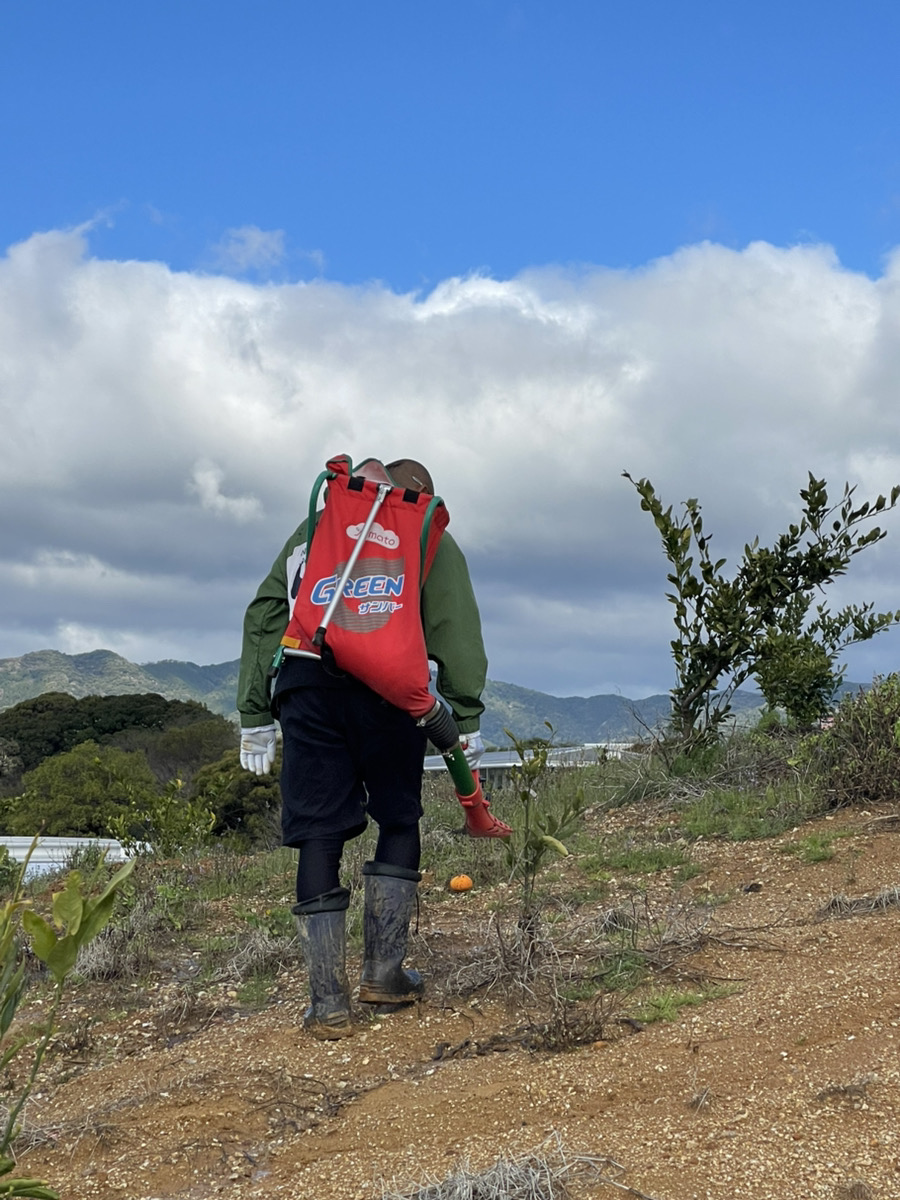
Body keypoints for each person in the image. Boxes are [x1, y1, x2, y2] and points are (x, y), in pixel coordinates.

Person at [237, 457, 487, 1039]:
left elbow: (266, 614)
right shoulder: (424, 529)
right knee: (398, 814)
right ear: (419, 493)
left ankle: (327, 1004)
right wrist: (464, 710)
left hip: (306, 682)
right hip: (388, 686)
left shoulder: (315, 527)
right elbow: (455, 625)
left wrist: (254, 711)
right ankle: (383, 974)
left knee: (319, 829)